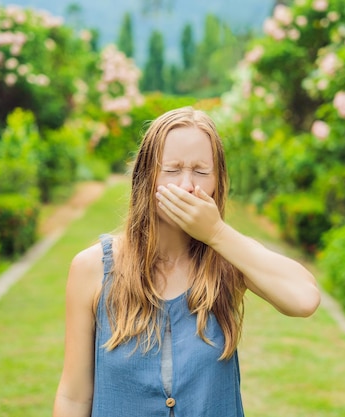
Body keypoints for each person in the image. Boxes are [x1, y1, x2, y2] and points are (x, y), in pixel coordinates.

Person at [53, 106, 321, 417]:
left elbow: (304, 300)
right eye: (172, 169)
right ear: (145, 177)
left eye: (201, 171)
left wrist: (217, 233)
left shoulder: (229, 258)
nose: (186, 185)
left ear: (218, 182)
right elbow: (74, 398)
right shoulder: (93, 268)